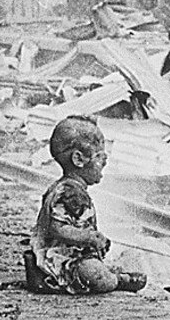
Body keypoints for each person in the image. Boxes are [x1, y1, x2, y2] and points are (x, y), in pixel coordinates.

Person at [24, 115, 147, 294]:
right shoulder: (70, 193)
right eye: (100, 156)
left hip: (67, 254)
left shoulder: (65, 187)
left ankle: (110, 274)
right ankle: (117, 280)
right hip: (59, 258)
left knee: (101, 265)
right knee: (96, 275)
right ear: (78, 160)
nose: (105, 162)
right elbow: (57, 228)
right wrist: (88, 237)